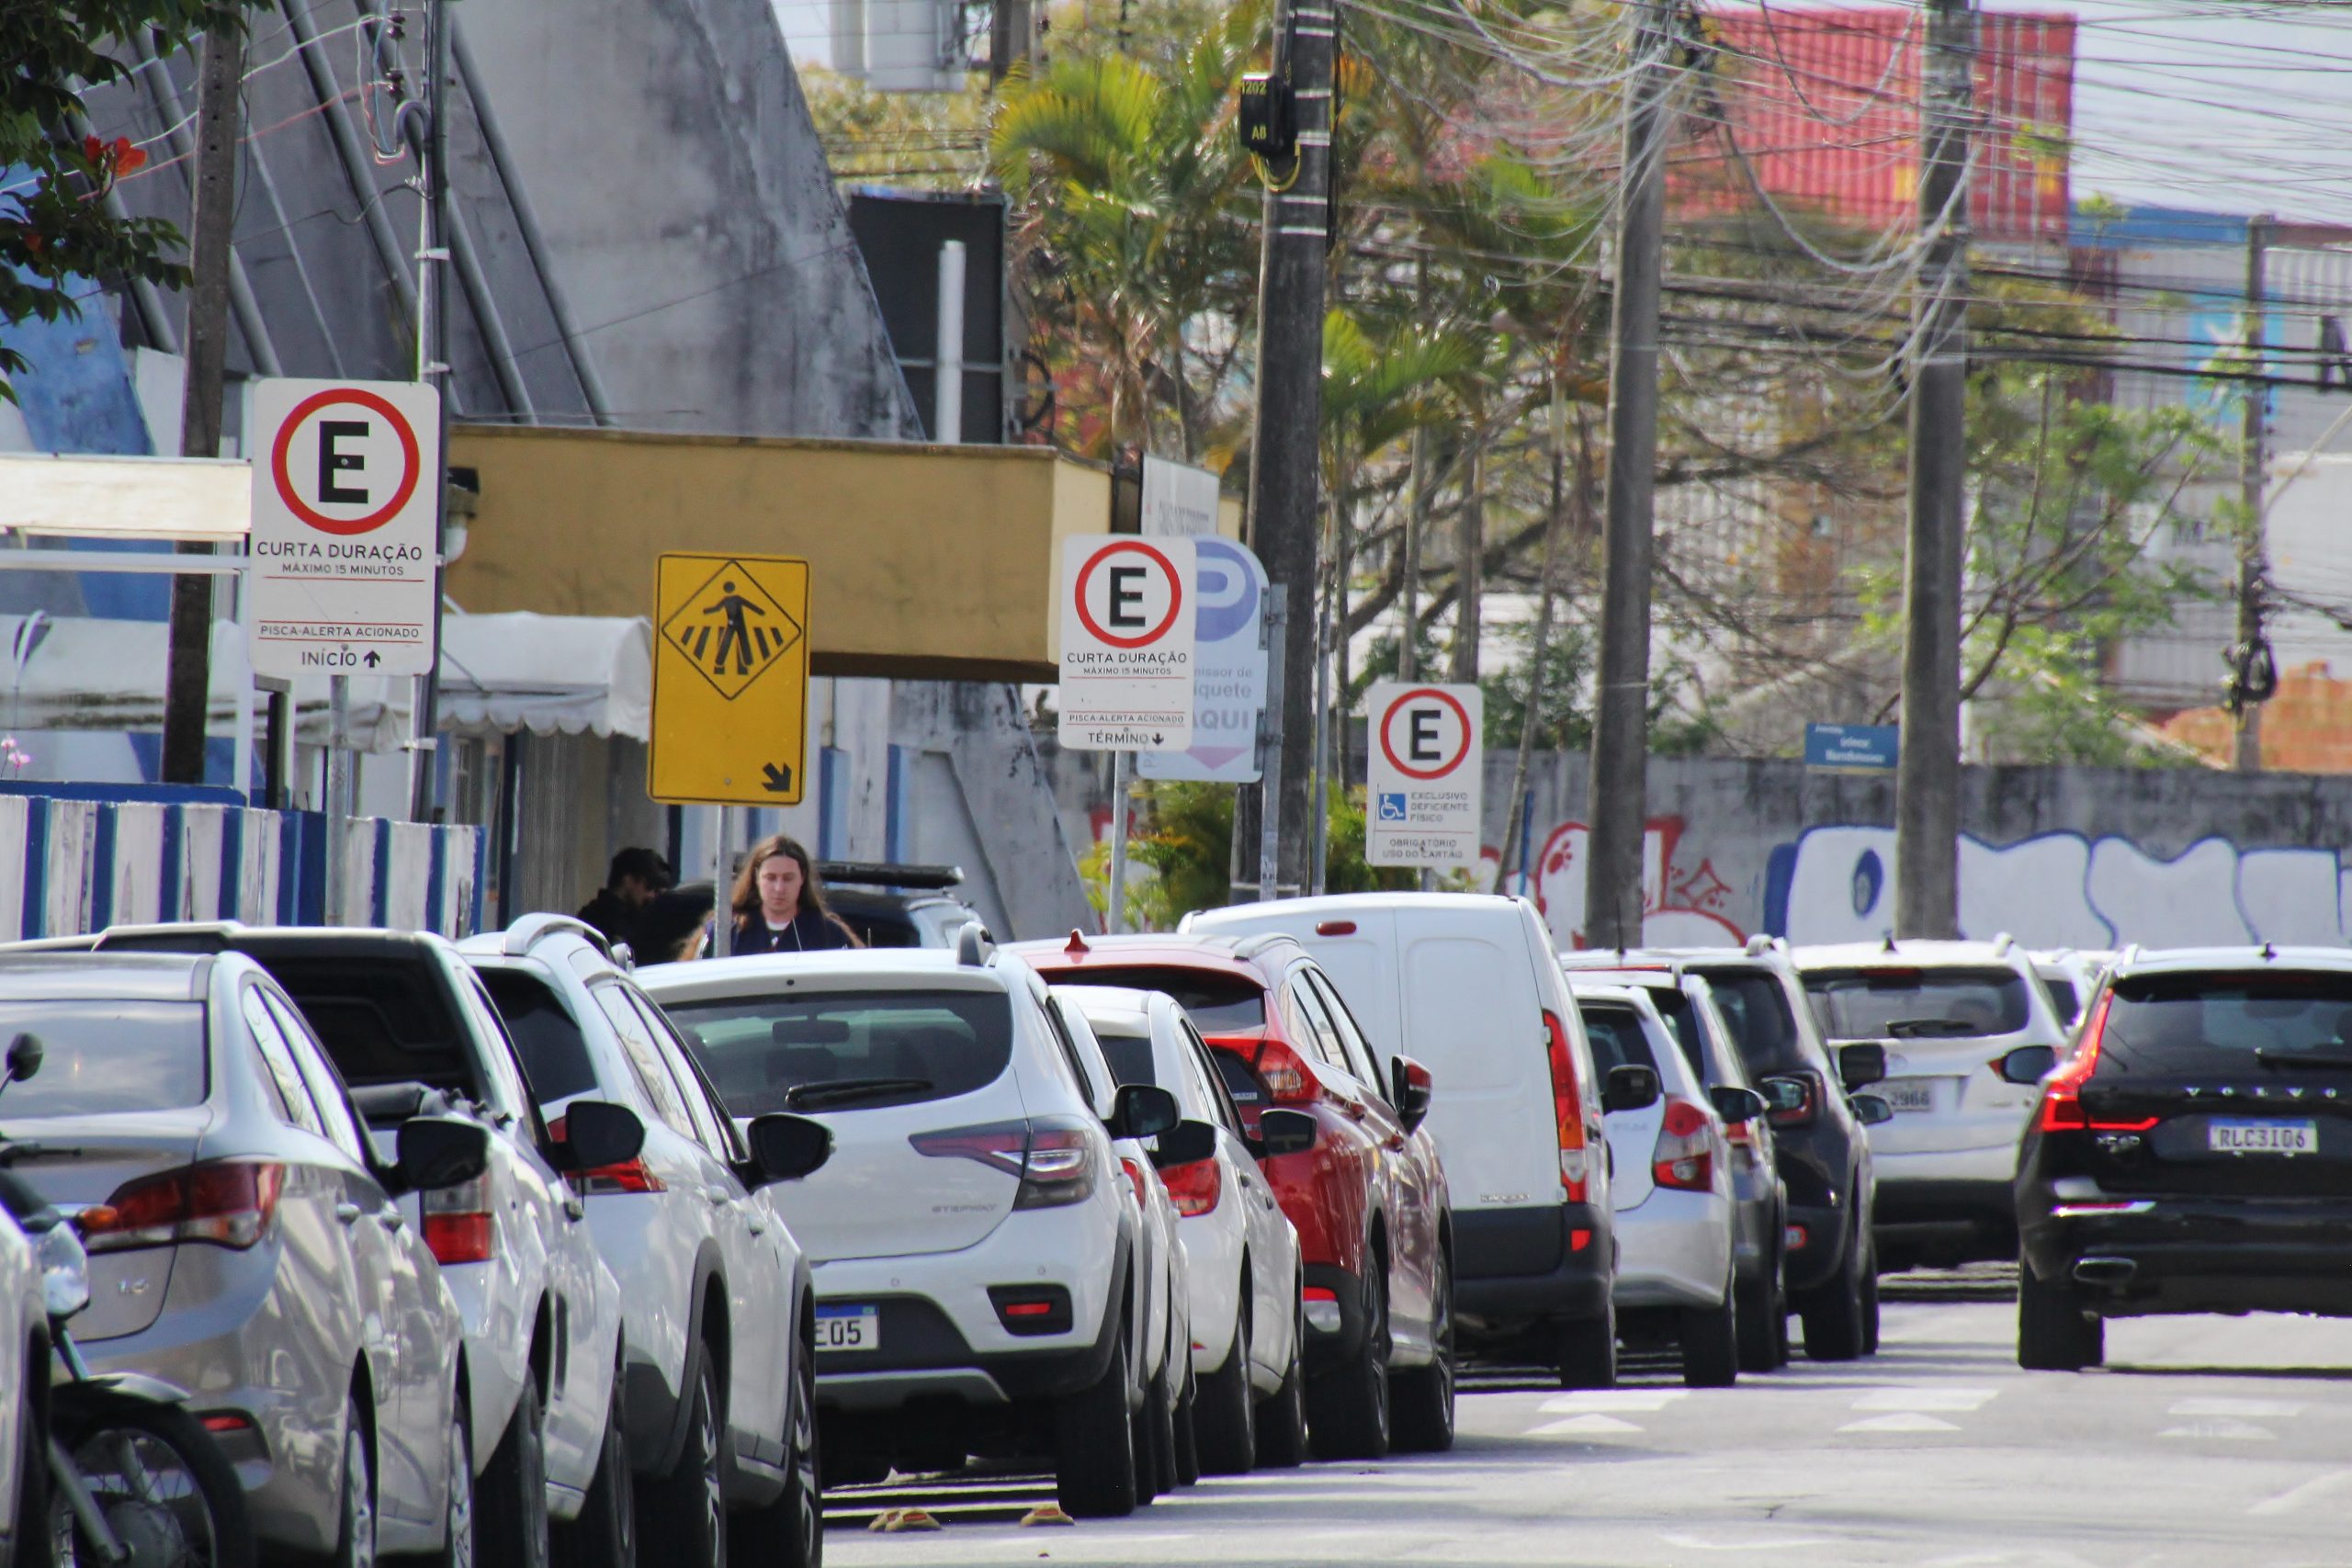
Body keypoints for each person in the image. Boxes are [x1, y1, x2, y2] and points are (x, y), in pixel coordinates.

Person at [727, 835, 861, 954]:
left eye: (788, 878)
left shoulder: (829, 934)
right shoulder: (729, 932)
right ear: (756, 877)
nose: (779, 888)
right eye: (771, 878)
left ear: (802, 877)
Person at [577, 847, 673, 947]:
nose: (651, 895)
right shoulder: (598, 920)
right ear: (628, 880)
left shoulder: (635, 921)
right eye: (648, 886)